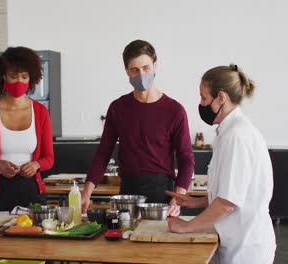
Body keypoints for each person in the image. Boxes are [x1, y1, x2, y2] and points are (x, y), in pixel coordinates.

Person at [167, 64, 276, 263]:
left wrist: (186, 226)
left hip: (245, 250)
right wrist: (196, 202)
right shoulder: (230, 132)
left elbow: (227, 204)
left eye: (204, 97)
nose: (201, 103)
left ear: (221, 98)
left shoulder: (236, 136)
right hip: (236, 243)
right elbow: (232, 193)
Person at [81, 40, 194, 216]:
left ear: (155, 66)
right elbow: (103, 153)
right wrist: (86, 192)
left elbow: (186, 159)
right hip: (127, 190)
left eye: (146, 68)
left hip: (162, 192)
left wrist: (179, 197)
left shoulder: (174, 110)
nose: (141, 74)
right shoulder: (118, 108)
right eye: (135, 70)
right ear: (127, 71)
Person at [0, 46, 54, 212]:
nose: (19, 82)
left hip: (32, 192)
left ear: (31, 78)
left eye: (24, 77)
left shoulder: (40, 112)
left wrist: (36, 164)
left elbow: (49, 158)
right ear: (2, 76)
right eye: (13, 76)